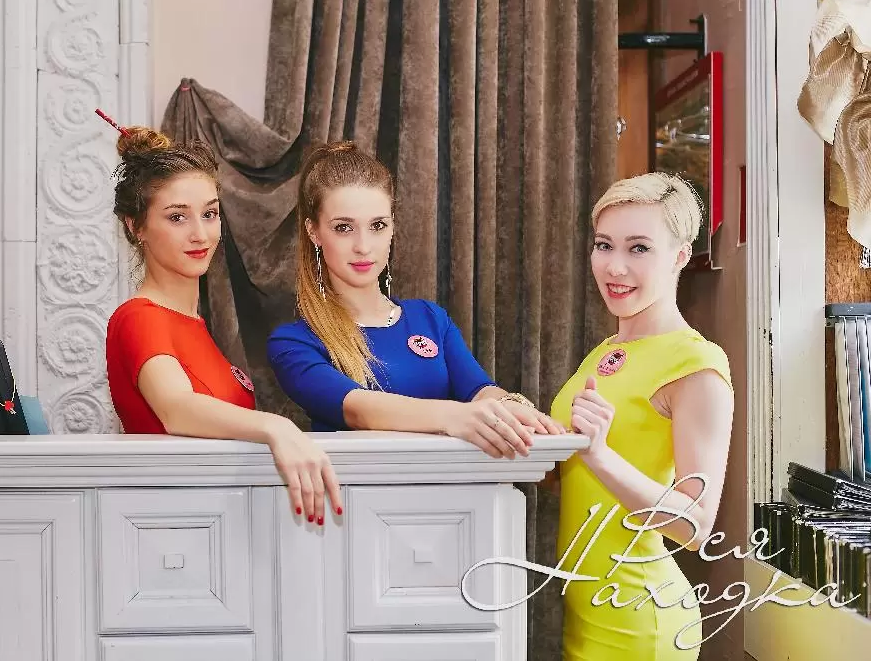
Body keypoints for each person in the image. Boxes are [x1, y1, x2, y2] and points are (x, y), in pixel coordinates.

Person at [103, 121, 342, 525]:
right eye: (177, 217)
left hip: (211, 522)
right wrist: (278, 428)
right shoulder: (137, 318)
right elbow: (177, 409)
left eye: (210, 214)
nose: (201, 234)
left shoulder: (194, 323)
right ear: (135, 226)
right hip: (169, 528)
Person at [266, 141, 563, 459]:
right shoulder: (294, 343)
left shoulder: (430, 318)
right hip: (356, 491)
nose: (363, 246)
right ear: (313, 232)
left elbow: (479, 390)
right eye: (343, 228)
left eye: (377, 226)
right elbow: (359, 410)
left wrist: (510, 408)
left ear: (392, 227)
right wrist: (455, 416)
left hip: (450, 490)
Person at [550, 172, 734, 659]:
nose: (615, 266)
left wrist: (600, 454)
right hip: (588, 612)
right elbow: (581, 480)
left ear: (679, 257)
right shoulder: (606, 351)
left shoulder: (696, 364)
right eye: (604, 245)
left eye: (639, 248)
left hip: (641, 624)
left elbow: (695, 524)